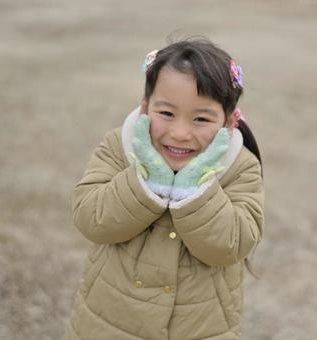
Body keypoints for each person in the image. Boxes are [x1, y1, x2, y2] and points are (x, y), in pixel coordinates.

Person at [65, 37, 264, 340]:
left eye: (201, 118)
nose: (180, 133)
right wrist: (147, 178)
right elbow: (91, 220)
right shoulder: (120, 147)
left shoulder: (240, 166)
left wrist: (194, 188)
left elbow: (231, 245)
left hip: (201, 329)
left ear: (229, 123)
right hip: (108, 324)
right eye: (166, 114)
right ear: (146, 107)